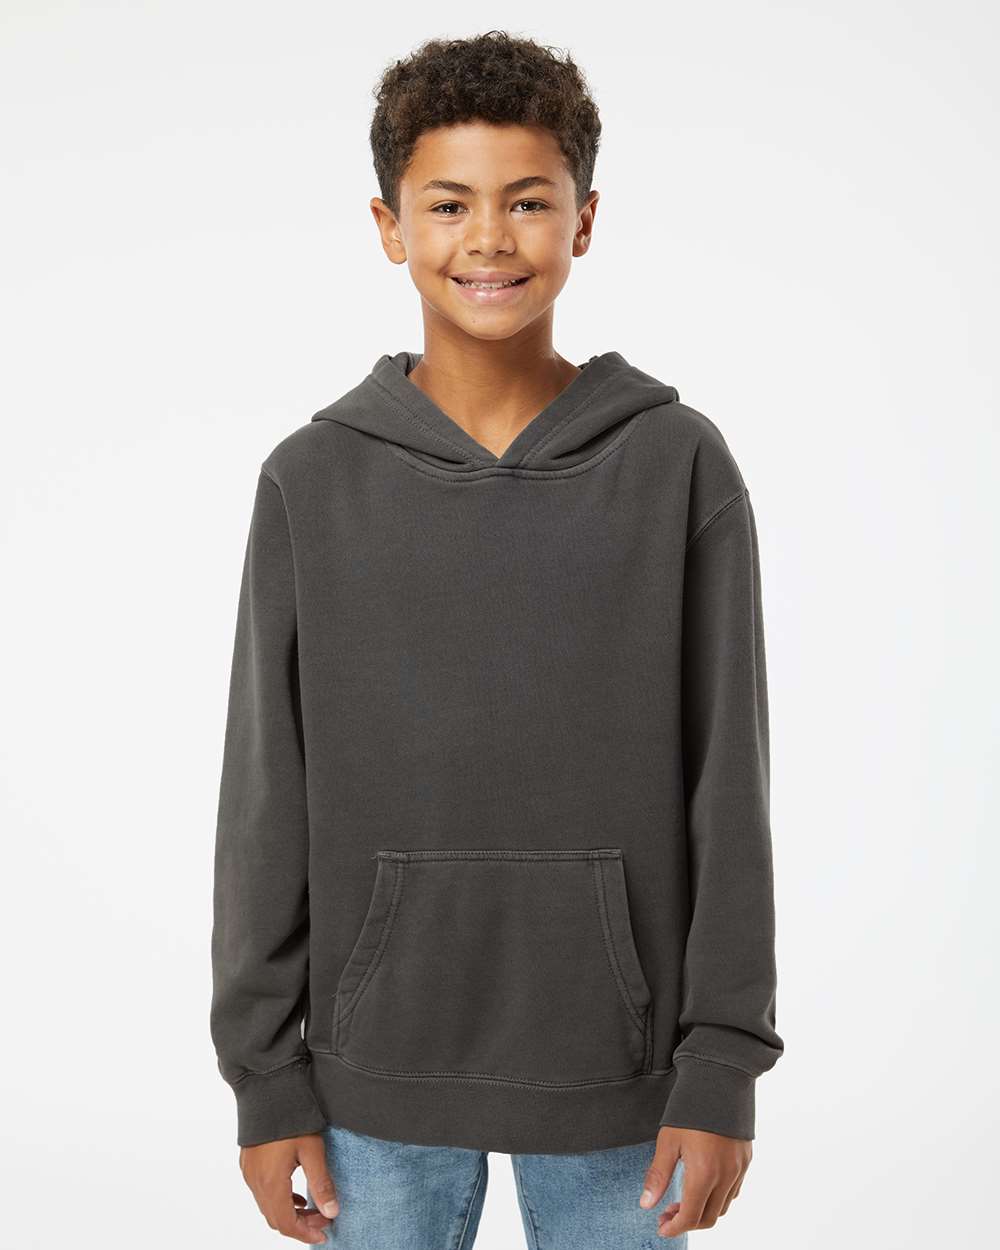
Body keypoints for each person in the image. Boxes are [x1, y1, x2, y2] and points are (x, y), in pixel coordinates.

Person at [210, 29, 784, 1249]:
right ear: (388, 225)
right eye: (448, 204)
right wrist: (265, 1077)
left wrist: (722, 1062)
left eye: (527, 201)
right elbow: (266, 795)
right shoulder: (312, 479)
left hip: (626, 1076)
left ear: (584, 221)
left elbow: (728, 784)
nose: (488, 238)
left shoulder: (676, 464)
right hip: (371, 1077)